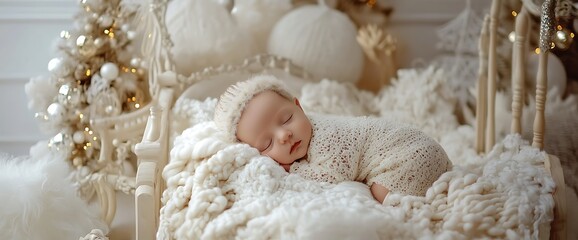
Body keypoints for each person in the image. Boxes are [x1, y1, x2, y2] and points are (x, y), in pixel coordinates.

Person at [214, 75, 452, 203]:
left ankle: (415, 208)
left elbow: (332, 178)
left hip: (413, 154)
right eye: (267, 144)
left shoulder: (329, 137)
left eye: (286, 119)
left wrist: (292, 170)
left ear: (299, 106)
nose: (284, 136)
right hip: (413, 152)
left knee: (382, 196)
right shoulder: (305, 134)